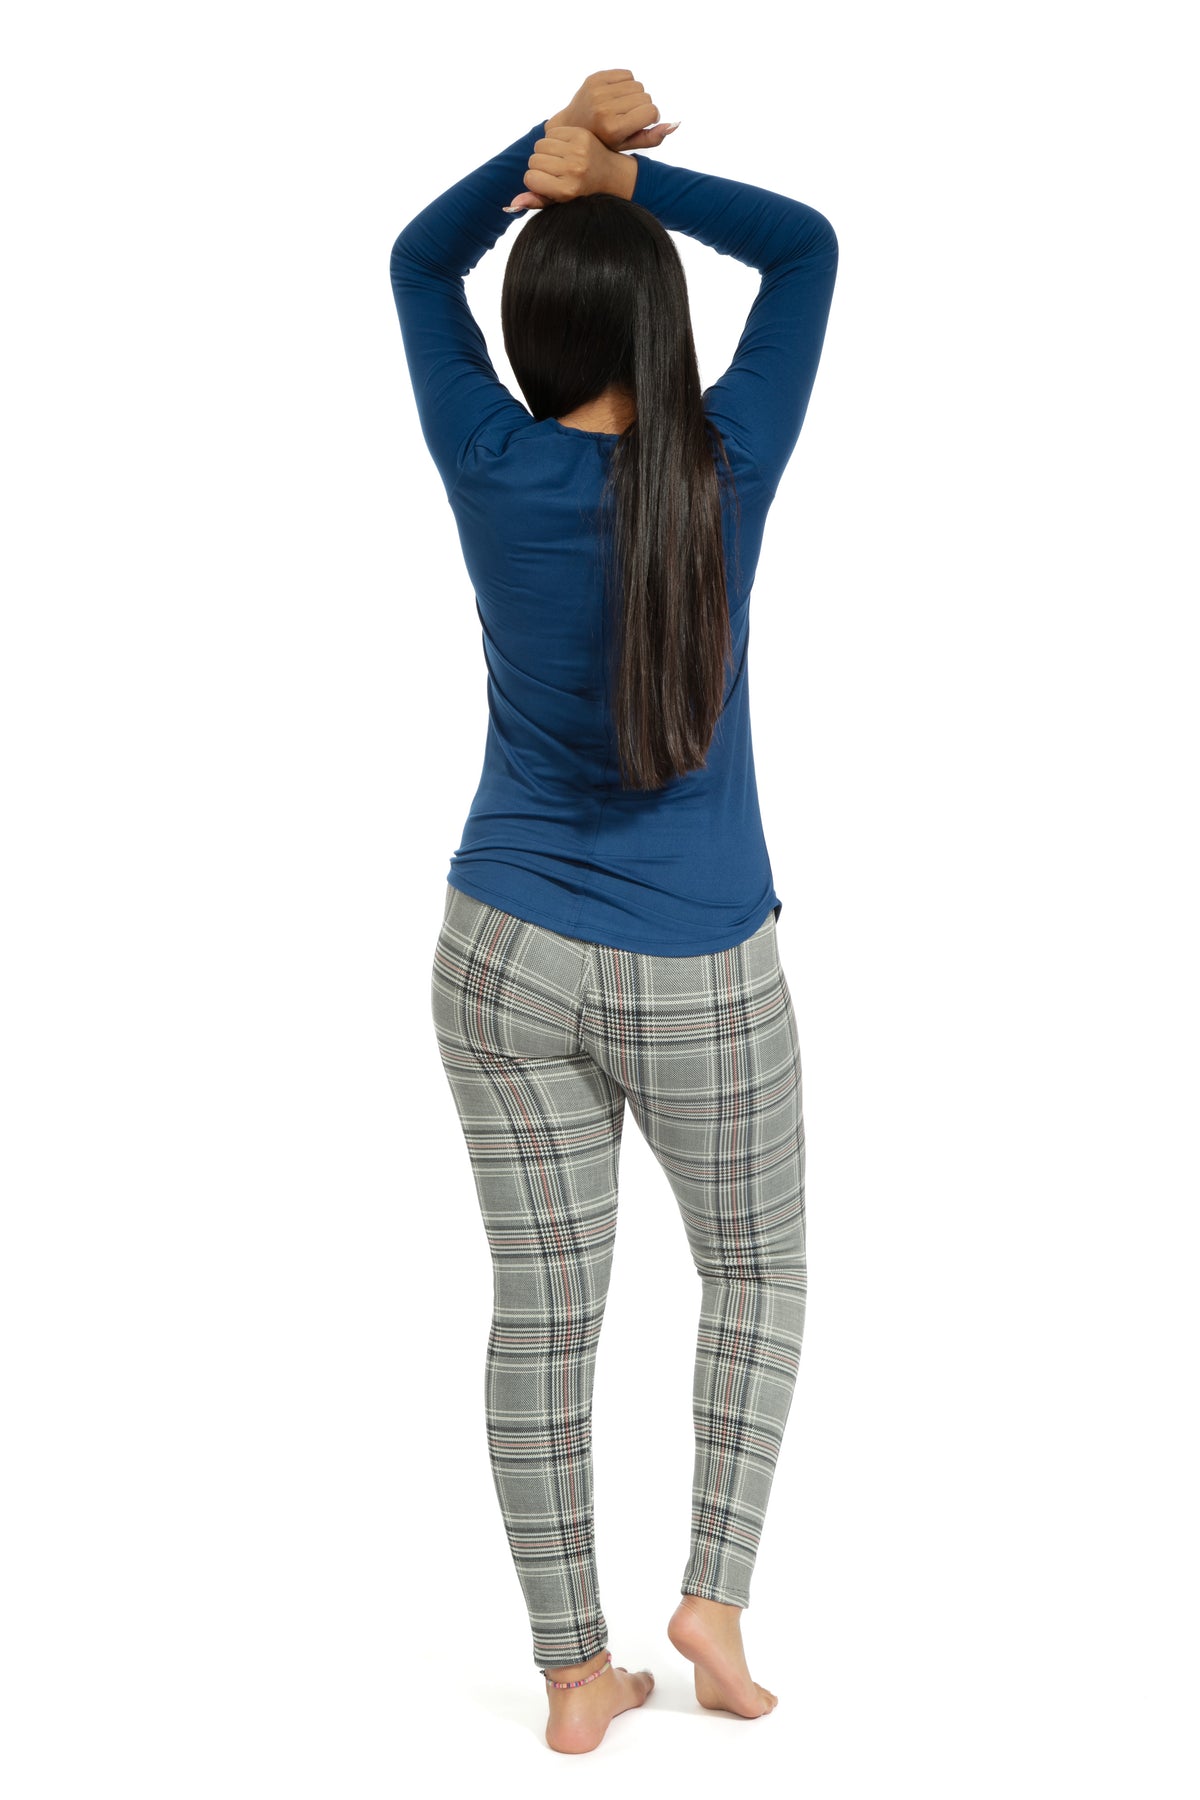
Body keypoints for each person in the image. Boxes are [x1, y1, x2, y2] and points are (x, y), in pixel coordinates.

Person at [389, 70, 838, 1754]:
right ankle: (711, 1599)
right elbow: (806, 250)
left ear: (532, 337)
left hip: (499, 951)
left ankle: (574, 1672)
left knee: (545, 1313)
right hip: (705, 965)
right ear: (659, 325)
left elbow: (413, 262)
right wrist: (639, 188)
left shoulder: (491, 459)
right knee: (757, 1271)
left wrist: (544, 152)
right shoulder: (729, 465)